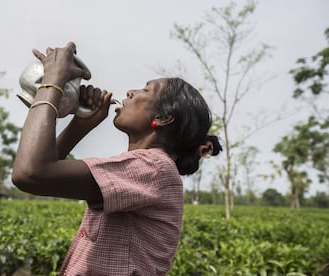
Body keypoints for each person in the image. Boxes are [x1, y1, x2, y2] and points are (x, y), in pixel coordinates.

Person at [12, 42, 222, 275]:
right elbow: (43, 175)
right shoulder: (147, 169)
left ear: (163, 117)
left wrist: (52, 82)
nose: (131, 92)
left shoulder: (154, 169)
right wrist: (80, 125)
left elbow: (31, 173)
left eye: (146, 90)